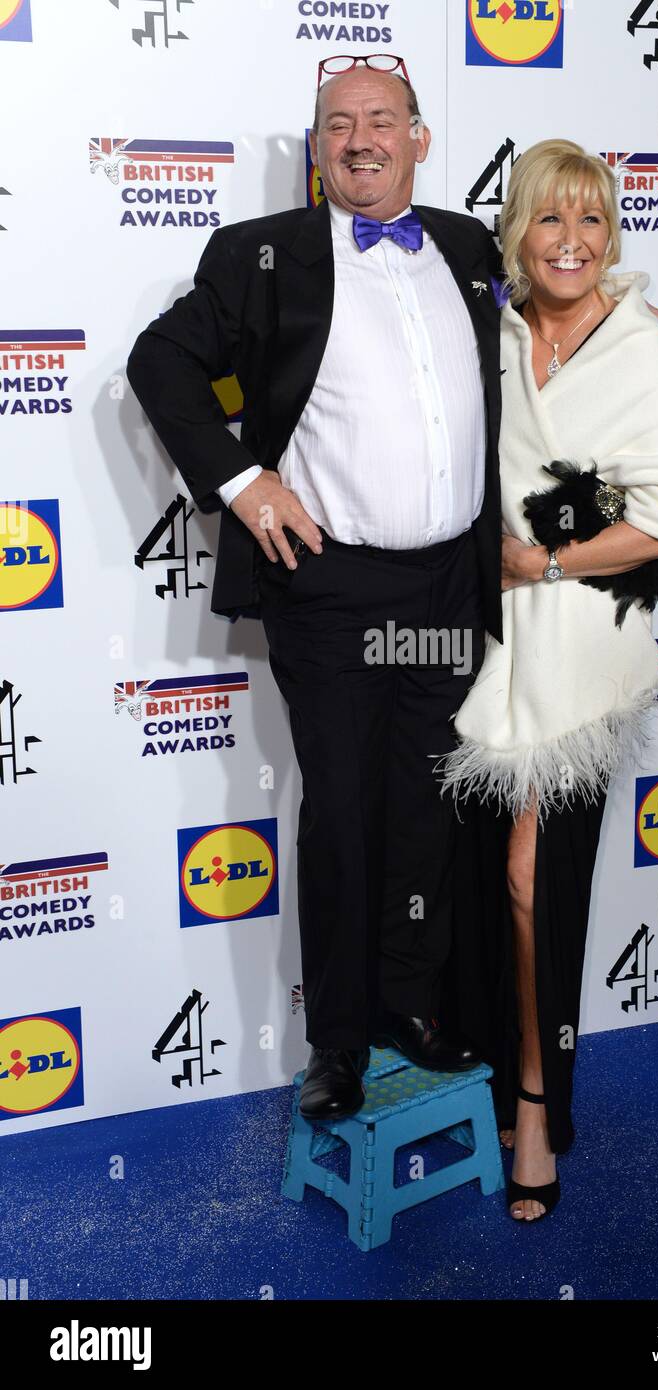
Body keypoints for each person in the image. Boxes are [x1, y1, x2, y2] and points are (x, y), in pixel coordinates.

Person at [126, 56, 505, 1122]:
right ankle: (336, 1042)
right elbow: (162, 361)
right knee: (343, 810)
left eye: (382, 119)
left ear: (420, 138)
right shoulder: (263, 255)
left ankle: (411, 1004)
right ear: (316, 145)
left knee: (428, 804)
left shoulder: (470, 246)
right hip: (333, 589)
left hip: (445, 584)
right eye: (339, 123)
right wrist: (244, 484)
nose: (361, 139)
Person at [440, 140, 658, 1222]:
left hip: (586, 640)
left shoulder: (639, 343)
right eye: (552, 221)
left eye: (592, 222)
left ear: (611, 237)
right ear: (520, 233)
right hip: (488, 641)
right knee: (480, 876)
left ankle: (541, 1102)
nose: (572, 243)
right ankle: (509, 1074)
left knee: (533, 879)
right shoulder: (495, 328)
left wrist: (544, 556)